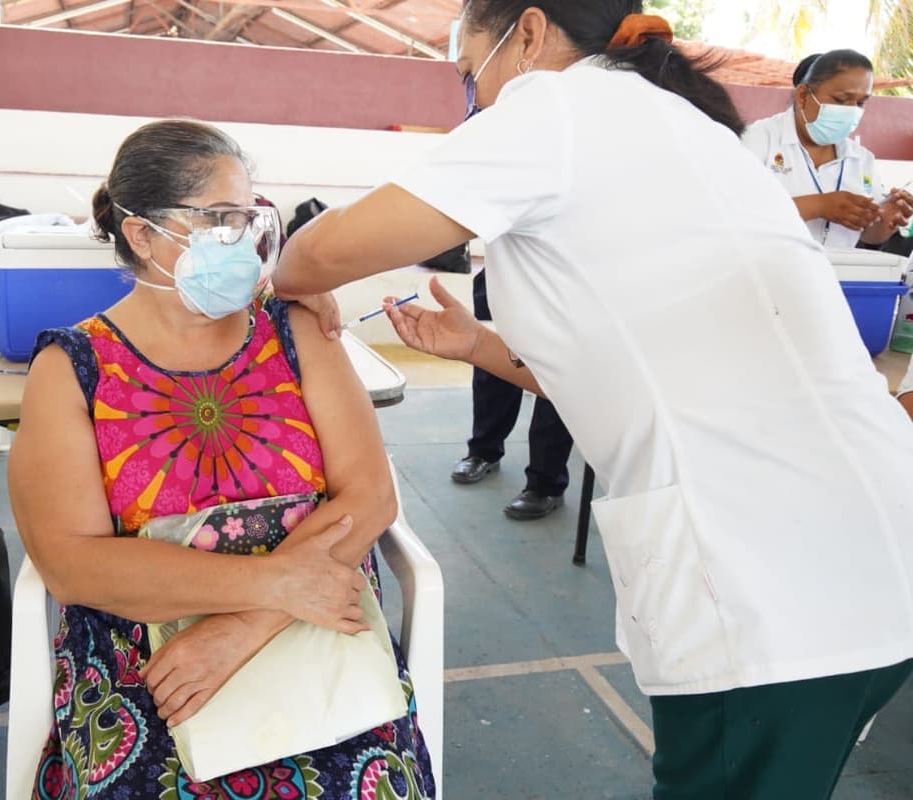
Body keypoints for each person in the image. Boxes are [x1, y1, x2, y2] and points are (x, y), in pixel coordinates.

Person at [272, 2, 913, 797]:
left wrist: (285, 274)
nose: (472, 90)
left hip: (770, 588)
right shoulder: (685, 128)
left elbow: (327, 248)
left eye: (471, 65)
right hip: (871, 552)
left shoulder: (557, 105)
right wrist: (475, 344)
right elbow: (637, 366)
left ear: (530, 33)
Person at [7, 120, 433, 799]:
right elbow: (71, 561)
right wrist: (275, 587)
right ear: (142, 234)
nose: (244, 241)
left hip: (318, 642)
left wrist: (247, 624)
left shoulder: (295, 332)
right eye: (219, 220)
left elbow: (369, 498)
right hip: (150, 669)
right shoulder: (73, 369)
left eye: (249, 218)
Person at [741, 50, 913, 250]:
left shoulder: (861, 159)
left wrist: (886, 220)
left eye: (860, 102)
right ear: (803, 96)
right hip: (767, 272)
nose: (851, 110)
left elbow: (869, 236)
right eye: (841, 100)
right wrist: (819, 206)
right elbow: (736, 211)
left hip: (837, 277)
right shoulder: (757, 140)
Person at [452, 267, 574, 521]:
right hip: (505, 263)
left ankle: (545, 484)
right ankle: (484, 450)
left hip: (565, 270)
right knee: (493, 359)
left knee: (555, 374)